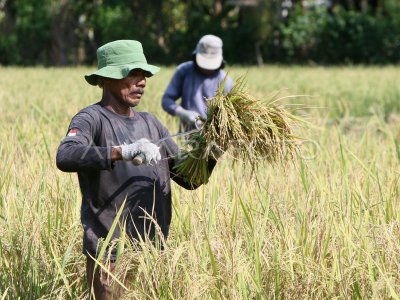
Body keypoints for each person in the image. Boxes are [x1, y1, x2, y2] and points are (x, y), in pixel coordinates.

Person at [56, 40, 218, 299]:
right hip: (111, 258)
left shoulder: (151, 124)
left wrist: (213, 148)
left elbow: (190, 178)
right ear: (108, 78)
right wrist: (121, 152)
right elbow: (66, 155)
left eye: (144, 75)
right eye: (133, 74)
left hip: (153, 257)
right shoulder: (91, 119)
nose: (141, 81)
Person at [161, 34, 233, 132]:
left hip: (213, 138)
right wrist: (182, 113)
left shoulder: (225, 81)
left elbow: (230, 115)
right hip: (185, 136)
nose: (207, 67)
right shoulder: (184, 71)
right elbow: (167, 100)